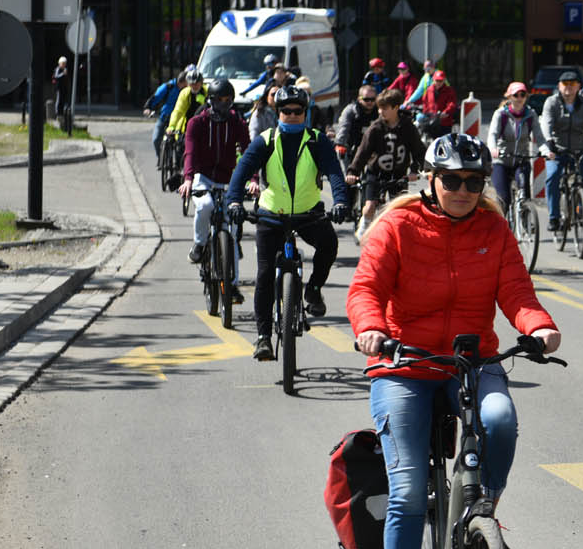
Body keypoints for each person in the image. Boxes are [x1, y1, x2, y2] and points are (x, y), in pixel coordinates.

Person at [347, 132, 561, 549]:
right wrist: (371, 329)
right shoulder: (396, 226)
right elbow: (365, 288)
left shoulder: (494, 228)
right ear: (430, 180)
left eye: (474, 181)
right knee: (410, 490)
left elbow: (516, 291)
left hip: (470, 360)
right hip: (403, 363)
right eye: (453, 180)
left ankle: (481, 515)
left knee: (499, 421)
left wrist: (537, 326)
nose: (465, 191)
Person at [224, 85, 351, 361]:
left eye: (297, 111)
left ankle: (313, 290)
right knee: (265, 275)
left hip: (308, 214)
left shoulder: (318, 141)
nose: (292, 115)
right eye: (286, 111)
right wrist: (234, 202)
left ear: (305, 113)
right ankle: (263, 337)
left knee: (329, 245)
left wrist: (340, 201)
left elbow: (334, 173)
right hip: (272, 215)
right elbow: (241, 171)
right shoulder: (265, 140)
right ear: (278, 112)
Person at [180, 80, 250, 291]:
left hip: (229, 179)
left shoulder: (237, 123)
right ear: (211, 100)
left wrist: (253, 180)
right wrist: (188, 178)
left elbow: (249, 153)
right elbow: (190, 152)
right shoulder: (196, 123)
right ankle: (200, 245)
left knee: (233, 227)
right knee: (204, 206)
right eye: (220, 99)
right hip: (203, 176)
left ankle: (233, 285)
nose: (224, 104)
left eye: (228, 100)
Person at [346, 88, 424, 242]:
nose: (380, 111)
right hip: (376, 173)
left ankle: (400, 237)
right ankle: (364, 229)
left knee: (400, 209)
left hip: (399, 174)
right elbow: (363, 152)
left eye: (384, 108)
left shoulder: (407, 127)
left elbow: (418, 151)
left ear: (396, 108)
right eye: (379, 107)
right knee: (369, 207)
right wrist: (353, 171)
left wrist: (417, 170)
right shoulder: (375, 128)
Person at [538, 69, 583, 232]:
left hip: (580, 150)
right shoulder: (551, 102)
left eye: (572, 84)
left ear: (579, 86)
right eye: (565, 84)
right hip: (557, 150)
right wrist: (549, 142)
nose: (568, 87)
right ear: (559, 86)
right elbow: (546, 123)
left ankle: (578, 206)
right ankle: (554, 217)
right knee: (552, 178)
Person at [484, 81, 547, 209]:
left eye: (522, 95)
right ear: (509, 97)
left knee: (525, 194)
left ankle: (527, 223)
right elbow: (493, 134)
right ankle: (503, 226)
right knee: (504, 199)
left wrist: (545, 150)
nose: (519, 98)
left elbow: (539, 137)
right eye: (515, 95)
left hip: (521, 160)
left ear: (526, 97)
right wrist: (493, 148)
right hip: (501, 160)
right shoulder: (501, 114)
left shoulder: (531, 114)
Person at [334, 83, 382, 171]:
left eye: (373, 99)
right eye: (366, 99)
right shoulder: (350, 111)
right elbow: (343, 128)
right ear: (359, 99)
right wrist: (340, 144)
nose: (370, 102)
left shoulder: (380, 112)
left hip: (373, 149)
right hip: (352, 147)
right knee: (348, 174)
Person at [166, 67, 209, 150]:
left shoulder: (207, 91)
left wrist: (203, 101)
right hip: (187, 125)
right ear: (188, 84)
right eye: (191, 84)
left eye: (196, 83)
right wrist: (172, 126)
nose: (194, 86)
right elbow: (178, 111)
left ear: (201, 82)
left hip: (203, 125)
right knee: (182, 147)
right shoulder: (185, 93)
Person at [143, 70, 183, 158]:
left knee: (181, 142)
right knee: (156, 139)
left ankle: (179, 164)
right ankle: (160, 157)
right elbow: (156, 97)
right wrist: (148, 108)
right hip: (164, 116)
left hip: (178, 119)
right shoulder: (168, 87)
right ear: (181, 82)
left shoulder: (186, 90)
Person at [52, 56, 72, 127]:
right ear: (59, 63)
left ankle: (63, 113)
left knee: (63, 100)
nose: (64, 65)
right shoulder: (58, 69)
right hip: (59, 88)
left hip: (64, 88)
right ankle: (58, 113)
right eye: (62, 63)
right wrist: (63, 74)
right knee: (59, 100)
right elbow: (56, 76)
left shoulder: (65, 69)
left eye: (65, 63)